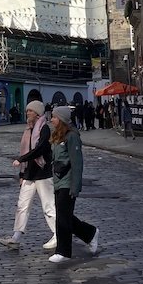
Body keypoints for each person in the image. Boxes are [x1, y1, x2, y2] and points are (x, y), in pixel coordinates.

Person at [0, 101, 56, 251]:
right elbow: (26, 150)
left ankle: (58, 234)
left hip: (43, 174)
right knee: (22, 206)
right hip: (29, 174)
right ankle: (16, 237)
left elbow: (40, 149)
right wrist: (22, 173)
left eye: (30, 111)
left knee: (48, 207)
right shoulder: (28, 130)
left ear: (37, 113)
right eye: (27, 111)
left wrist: (21, 159)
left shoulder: (44, 129)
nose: (27, 113)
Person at [47, 106, 99, 262]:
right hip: (58, 180)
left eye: (54, 117)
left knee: (62, 217)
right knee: (65, 216)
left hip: (67, 182)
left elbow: (77, 164)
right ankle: (90, 233)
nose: (52, 119)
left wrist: (75, 187)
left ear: (61, 119)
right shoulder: (57, 135)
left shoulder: (72, 136)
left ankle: (63, 251)